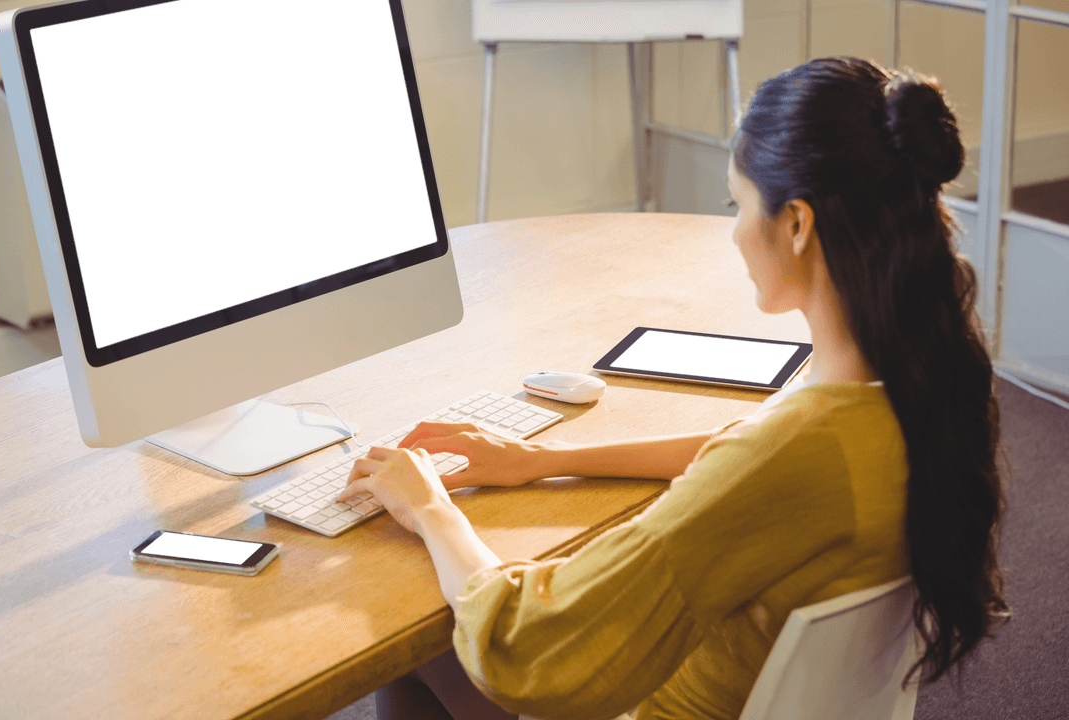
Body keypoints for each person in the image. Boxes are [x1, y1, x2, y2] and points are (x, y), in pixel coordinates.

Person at [336, 56, 1011, 720]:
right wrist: (543, 461)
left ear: (798, 225)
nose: (736, 232)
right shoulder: (923, 381)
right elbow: (742, 449)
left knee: (430, 646)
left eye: (737, 204)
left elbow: (529, 644)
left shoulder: (799, 449)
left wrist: (430, 509)